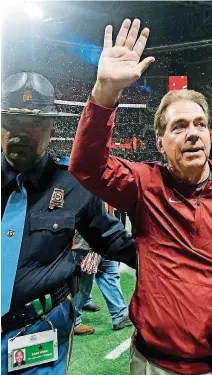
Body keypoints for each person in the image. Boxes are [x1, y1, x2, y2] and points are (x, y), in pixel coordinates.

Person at [70, 18, 212, 375]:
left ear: (211, 136)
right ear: (159, 143)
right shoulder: (143, 184)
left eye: (200, 124)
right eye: (179, 127)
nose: (193, 133)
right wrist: (105, 91)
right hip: (157, 363)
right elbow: (87, 166)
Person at [1, 72, 136, 375]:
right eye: (12, 121)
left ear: (51, 128)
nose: (21, 133)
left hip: (36, 331)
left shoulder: (72, 183)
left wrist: (184, 259)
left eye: (34, 124)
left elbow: (116, 242)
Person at [72, 230, 132, 335]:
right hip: (87, 242)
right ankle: (73, 322)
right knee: (83, 283)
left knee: (110, 274)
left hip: (106, 238)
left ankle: (120, 315)